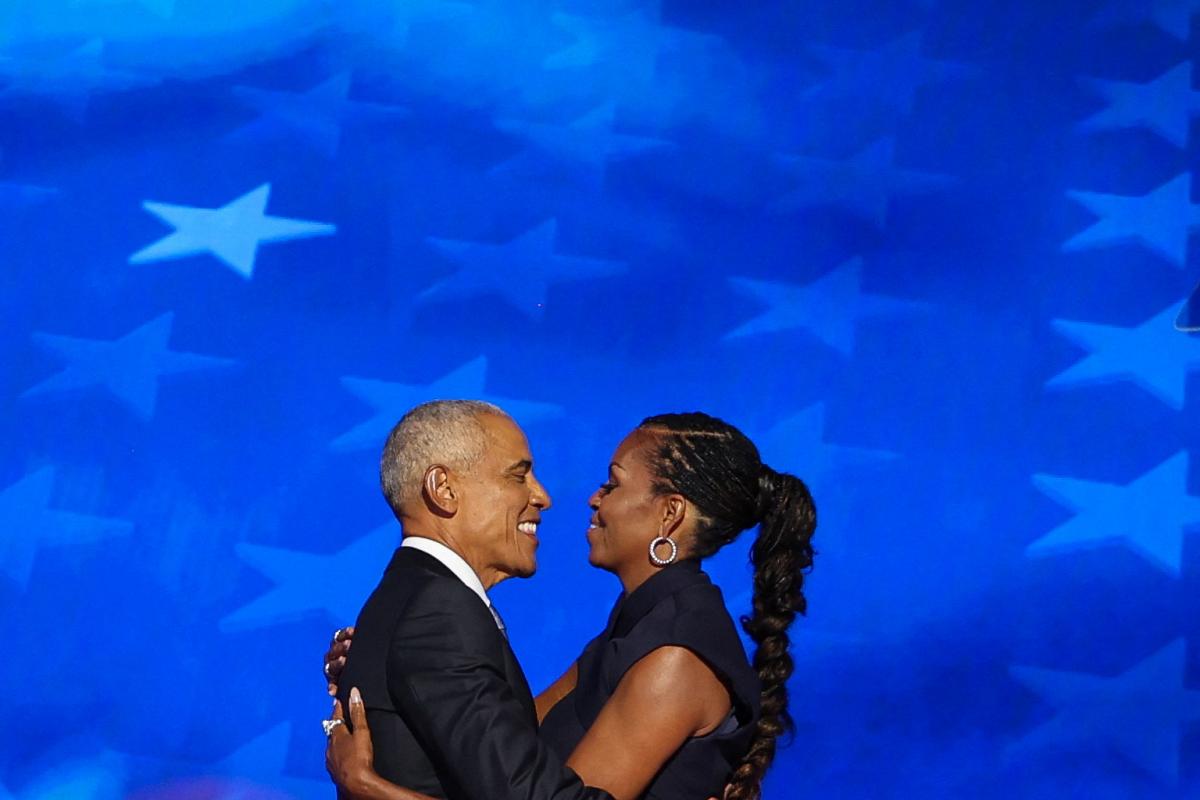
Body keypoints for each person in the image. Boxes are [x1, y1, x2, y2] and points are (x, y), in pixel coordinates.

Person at [325, 411, 817, 800]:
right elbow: (507, 735)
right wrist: (395, 670)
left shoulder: (675, 657)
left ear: (670, 514)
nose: (591, 499)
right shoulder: (632, 630)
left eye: (613, 484)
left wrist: (374, 791)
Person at [327, 399, 612, 800]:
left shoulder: (416, 597)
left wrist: (370, 787)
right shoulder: (439, 612)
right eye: (519, 476)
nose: (542, 496)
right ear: (444, 489)